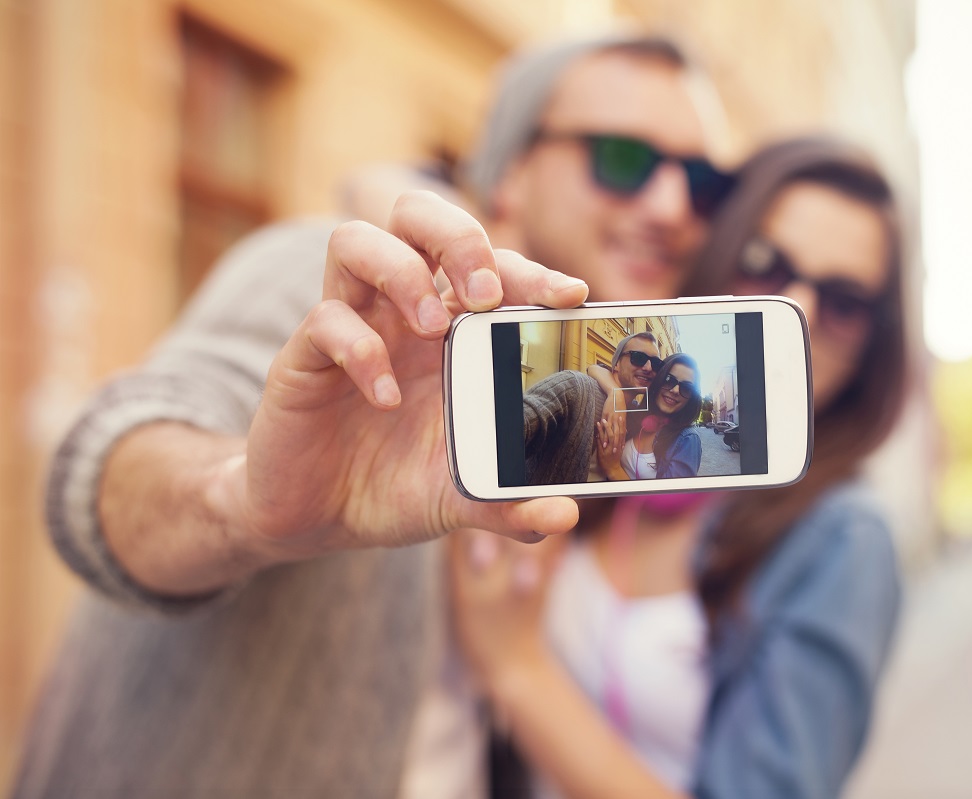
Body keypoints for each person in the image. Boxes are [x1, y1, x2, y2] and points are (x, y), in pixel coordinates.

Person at [13, 33, 726, 799]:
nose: (672, 207)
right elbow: (112, 459)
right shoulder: (347, 298)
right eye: (623, 160)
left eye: (704, 180)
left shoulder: (589, 412)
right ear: (512, 171)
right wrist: (241, 505)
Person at [449, 135, 910, 799]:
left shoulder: (845, 538)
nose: (800, 313)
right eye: (764, 262)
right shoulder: (622, 464)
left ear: (875, 342)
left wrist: (518, 670)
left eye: (844, 302)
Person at [522, 331, 664, 486]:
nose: (649, 367)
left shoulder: (637, 417)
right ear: (616, 364)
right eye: (638, 358)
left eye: (656, 363)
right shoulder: (575, 386)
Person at [596, 352, 703, 480]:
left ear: (691, 398)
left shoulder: (688, 439)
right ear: (658, 380)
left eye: (686, 388)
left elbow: (668, 499)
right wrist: (615, 393)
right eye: (669, 380)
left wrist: (613, 470)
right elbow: (594, 369)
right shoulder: (636, 416)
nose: (675, 390)